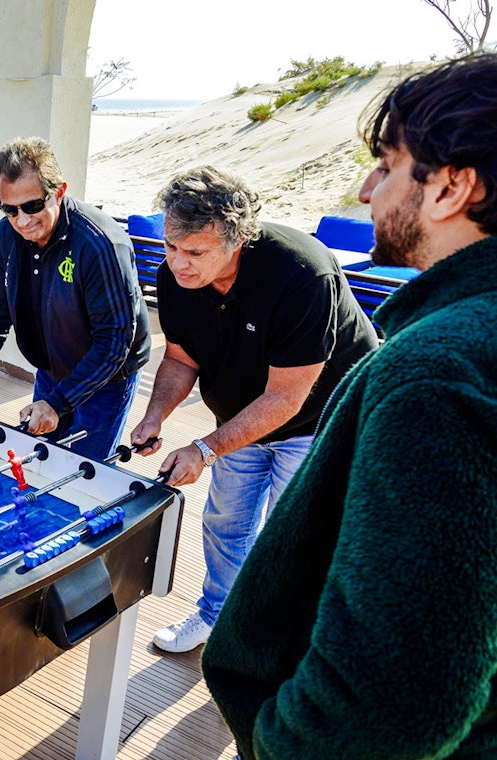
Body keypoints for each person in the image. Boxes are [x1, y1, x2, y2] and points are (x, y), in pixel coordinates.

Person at [201, 54, 497, 760]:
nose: (367, 187)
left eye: (388, 165)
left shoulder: (435, 375)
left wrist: (278, 741)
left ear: (451, 187)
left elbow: (394, 702)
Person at [131, 165, 378, 654]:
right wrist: (155, 416)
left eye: (194, 252)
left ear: (237, 238)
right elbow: (181, 357)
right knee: (226, 521)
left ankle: (287, 643)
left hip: (320, 417)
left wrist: (204, 449)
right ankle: (218, 618)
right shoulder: (177, 273)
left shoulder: (302, 275)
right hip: (243, 412)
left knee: (295, 535)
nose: (178, 264)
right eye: (170, 247)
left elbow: (287, 397)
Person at [0, 137, 151, 460]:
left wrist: (58, 403)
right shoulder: (6, 235)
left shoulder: (100, 245)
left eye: (32, 206)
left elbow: (114, 343)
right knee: (39, 459)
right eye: (10, 209)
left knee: (82, 471)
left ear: (59, 191)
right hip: (52, 366)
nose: (22, 220)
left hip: (107, 376)